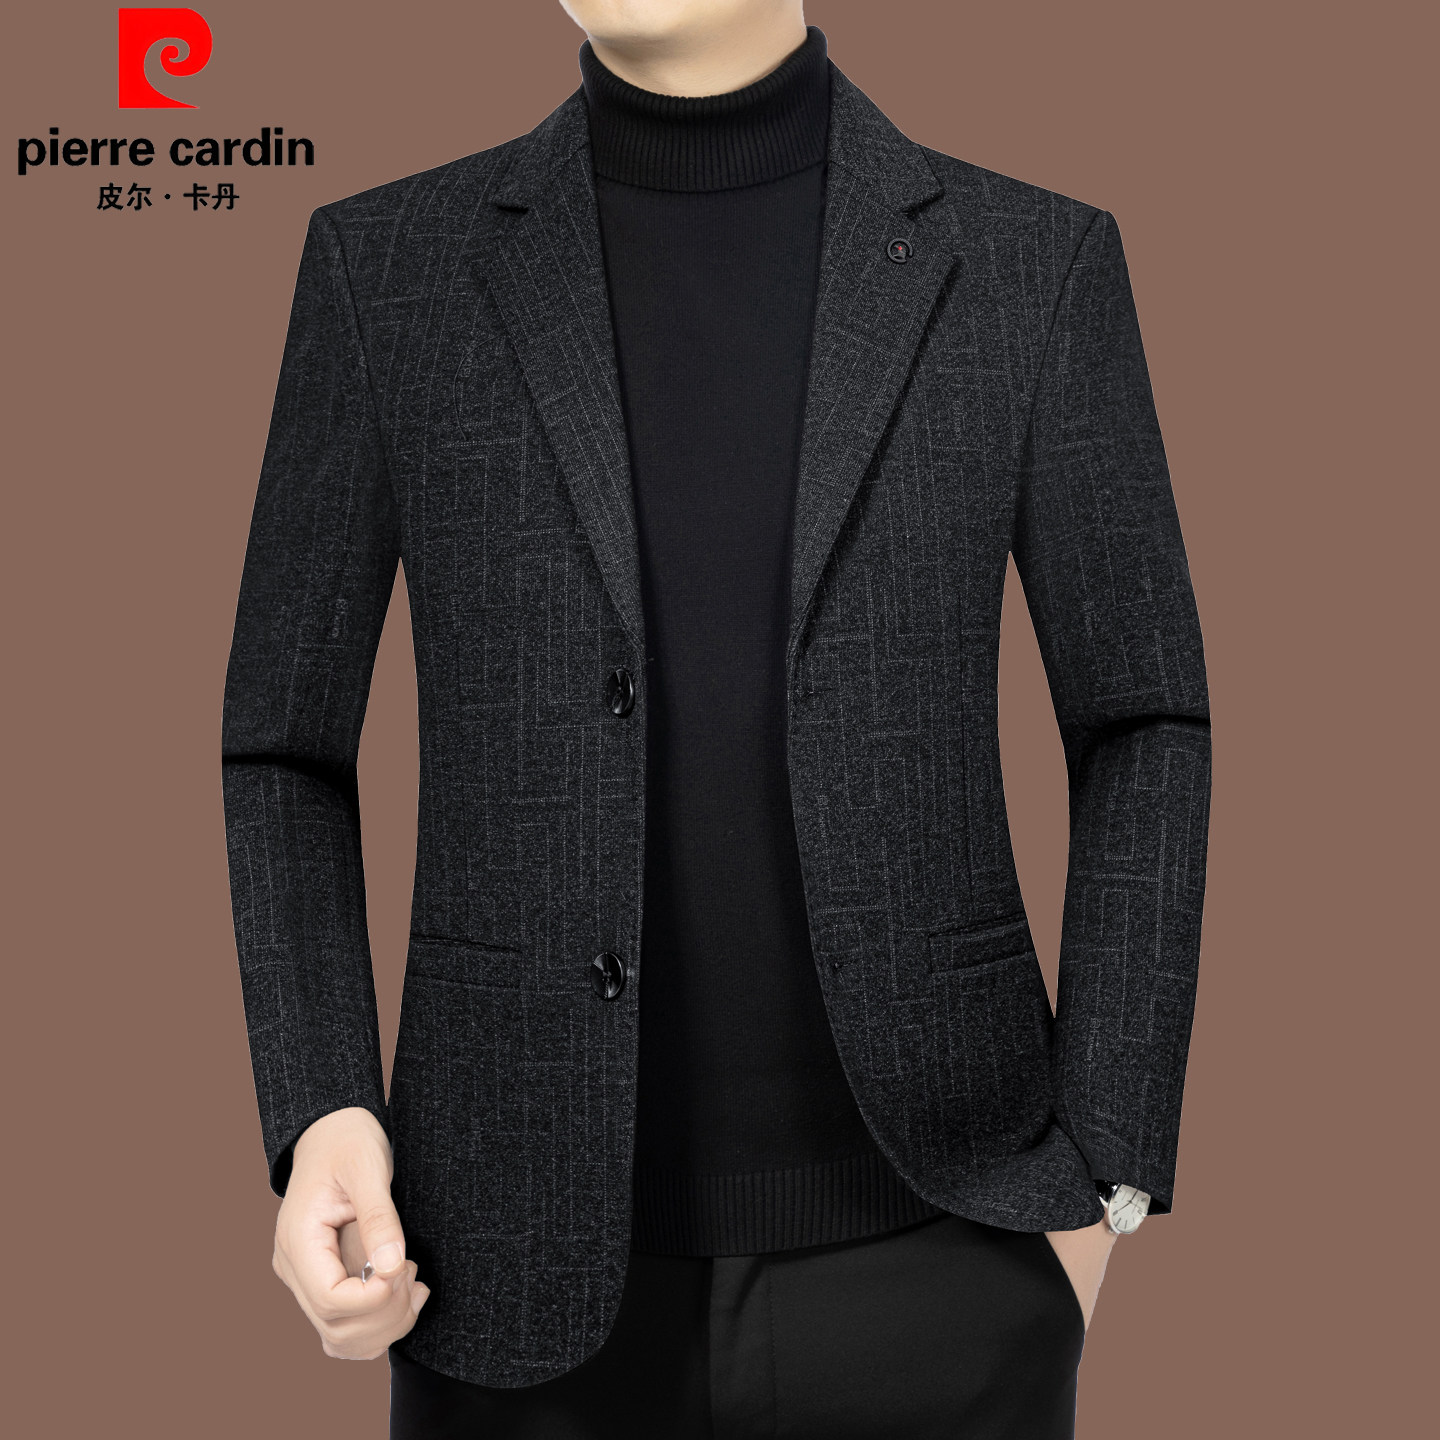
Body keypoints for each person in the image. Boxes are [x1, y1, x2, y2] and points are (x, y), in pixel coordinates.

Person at [220, 2, 1211, 1435]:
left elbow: (1144, 720)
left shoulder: (1028, 262)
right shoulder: (391, 268)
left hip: (946, 1258)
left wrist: (1104, 1178)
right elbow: (284, 748)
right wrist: (323, 1107)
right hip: (501, 1276)